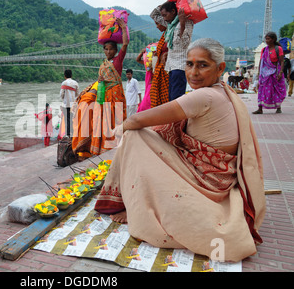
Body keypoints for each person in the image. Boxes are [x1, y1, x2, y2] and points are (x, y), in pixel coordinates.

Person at [94, 38, 266, 262]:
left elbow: (136, 120)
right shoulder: (222, 90)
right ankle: (130, 199)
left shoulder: (204, 95)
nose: (193, 72)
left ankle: (131, 205)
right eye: (189, 64)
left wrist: (120, 128)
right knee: (149, 136)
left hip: (206, 177)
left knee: (133, 137)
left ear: (220, 68)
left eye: (203, 65)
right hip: (221, 175)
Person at [72, 18, 128, 159]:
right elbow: (100, 81)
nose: (108, 51)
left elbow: (126, 44)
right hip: (104, 96)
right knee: (103, 121)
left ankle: (117, 146)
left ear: (116, 50)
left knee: (116, 120)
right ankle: (103, 147)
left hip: (115, 95)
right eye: (106, 49)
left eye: (111, 49)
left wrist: (124, 28)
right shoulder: (104, 64)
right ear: (104, 50)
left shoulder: (118, 60)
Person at [158, 1, 194, 101]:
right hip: (171, 66)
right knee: (171, 98)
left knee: (176, 98)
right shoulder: (170, 25)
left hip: (180, 66)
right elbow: (153, 14)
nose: (164, 18)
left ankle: (177, 117)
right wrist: (169, 1)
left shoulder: (187, 22)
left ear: (173, 11)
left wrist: (182, 23)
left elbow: (184, 43)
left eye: (165, 15)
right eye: (162, 16)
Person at [253, 32, 286, 114]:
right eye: (266, 39)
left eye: (268, 39)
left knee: (276, 90)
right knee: (262, 89)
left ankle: (278, 107)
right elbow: (261, 61)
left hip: (275, 72)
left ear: (274, 39)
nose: (267, 40)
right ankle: (260, 108)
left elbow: (282, 61)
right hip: (264, 74)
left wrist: (280, 72)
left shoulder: (278, 49)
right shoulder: (264, 50)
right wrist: (259, 73)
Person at [59, 69, 79, 137]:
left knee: (66, 119)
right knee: (72, 118)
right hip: (73, 104)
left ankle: (68, 134)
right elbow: (77, 94)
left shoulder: (64, 83)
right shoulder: (75, 83)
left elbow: (61, 94)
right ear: (71, 75)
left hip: (66, 104)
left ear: (65, 76)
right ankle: (73, 133)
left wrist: (63, 99)